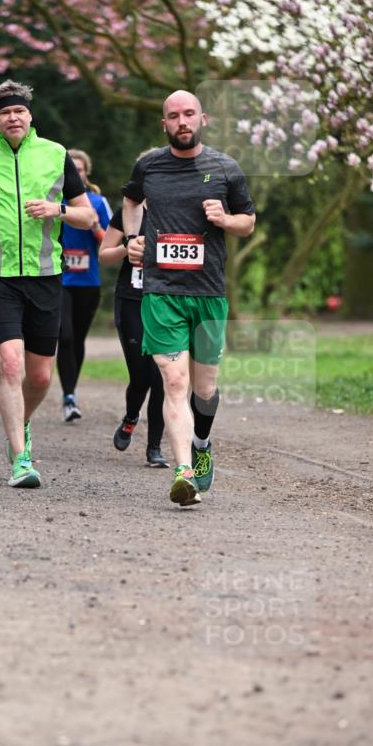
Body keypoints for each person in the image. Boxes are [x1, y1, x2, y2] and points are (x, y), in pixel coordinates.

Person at [0, 79, 96, 488]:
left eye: (19, 111)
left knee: (41, 377)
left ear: (30, 116)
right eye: (4, 113)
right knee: (9, 364)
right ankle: (20, 458)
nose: (12, 118)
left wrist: (58, 208)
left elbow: (88, 217)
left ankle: (23, 422)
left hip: (46, 275)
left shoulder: (55, 155)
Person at [122, 90, 255, 506]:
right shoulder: (149, 166)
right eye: (173, 116)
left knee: (204, 388)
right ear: (163, 124)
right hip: (161, 290)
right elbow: (130, 201)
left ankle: (201, 442)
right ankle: (183, 474)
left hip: (208, 292)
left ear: (203, 120)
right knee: (173, 381)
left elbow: (247, 222)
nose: (182, 121)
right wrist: (132, 239)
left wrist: (224, 219)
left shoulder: (225, 168)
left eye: (189, 114)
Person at [99, 193, 168, 469]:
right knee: (141, 375)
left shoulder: (178, 210)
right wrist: (128, 248)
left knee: (162, 377)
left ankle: (154, 448)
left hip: (166, 302)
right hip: (132, 301)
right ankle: (130, 418)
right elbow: (104, 255)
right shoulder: (128, 213)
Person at [57, 149, 111, 422]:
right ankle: (68, 397)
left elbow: (111, 243)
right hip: (60, 279)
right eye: (71, 169)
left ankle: (71, 392)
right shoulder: (53, 201)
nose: (75, 174)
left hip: (88, 281)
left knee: (77, 338)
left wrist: (94, 225)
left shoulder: (98, 203)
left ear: (86, 174)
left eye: (79, 170)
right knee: (64, 336)